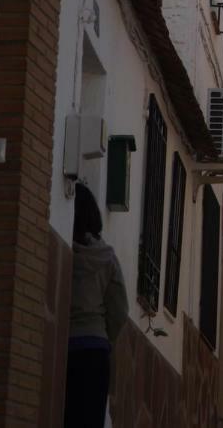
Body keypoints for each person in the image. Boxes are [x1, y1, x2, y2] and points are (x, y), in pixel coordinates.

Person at [64, 182, 129, 428]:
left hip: (66, 345)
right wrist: (105, 337)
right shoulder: (106, 257)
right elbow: (120, 310)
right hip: (95, 348)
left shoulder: (67, 251)